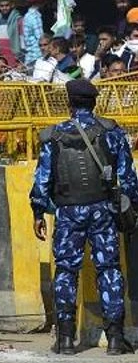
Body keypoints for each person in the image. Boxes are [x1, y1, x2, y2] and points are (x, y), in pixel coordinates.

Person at [30, 79, 138, 355]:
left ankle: (65, 340)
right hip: (103, 209)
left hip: (67, 212)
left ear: (69, 103)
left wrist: (38, 211)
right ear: (94, 102)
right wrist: (130, 207)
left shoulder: (53, 135)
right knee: (109, 270)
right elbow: (127, 177)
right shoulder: (111, 131)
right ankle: (115, 339)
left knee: (66, 271)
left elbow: (43, 178)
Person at [0, 0, 22, 67]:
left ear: (12, 5)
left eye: (7, 5)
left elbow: (22, 40)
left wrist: (20, 58)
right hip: (1, 57)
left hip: (14, 56)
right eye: (2, 6)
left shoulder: (18, 20)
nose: (4, 8)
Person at [23, 0, 47, 67]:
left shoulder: (27, 16)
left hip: (29, 56)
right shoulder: (35, 17)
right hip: (36, 56)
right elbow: (41, 37)